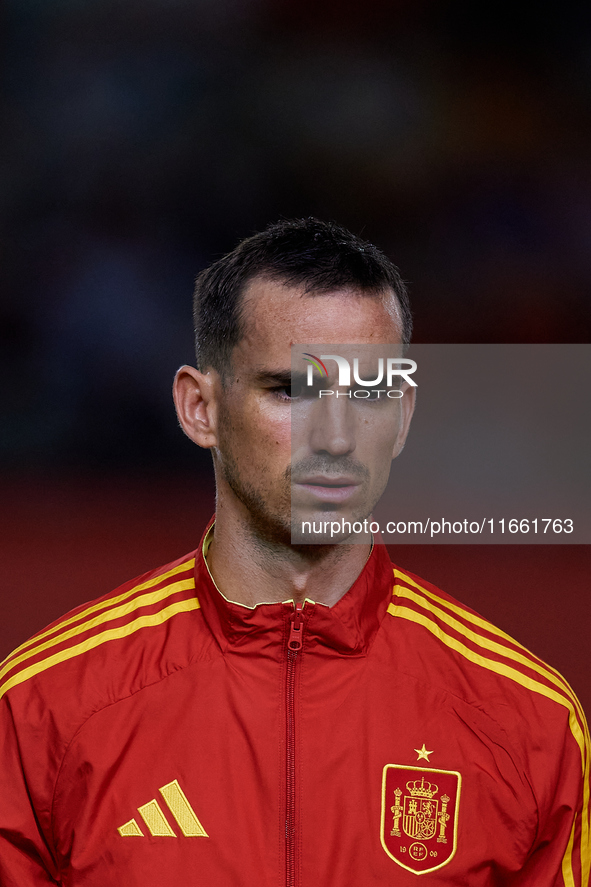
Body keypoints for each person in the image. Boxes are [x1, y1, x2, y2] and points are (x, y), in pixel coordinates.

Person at [0, 218, 588, 886]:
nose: (335, 435)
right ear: (200, 408)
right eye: (290, 389)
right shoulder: (43, 708)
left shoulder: (528, 723)